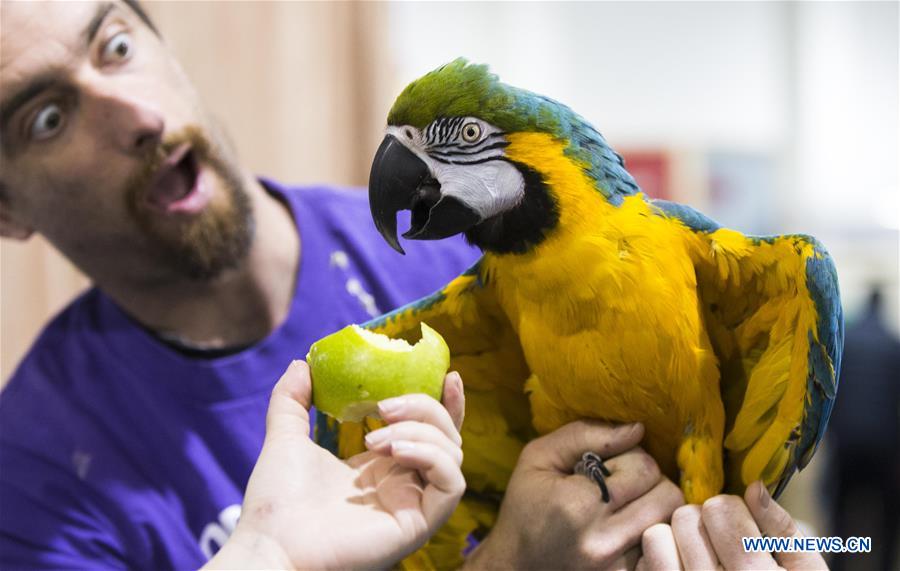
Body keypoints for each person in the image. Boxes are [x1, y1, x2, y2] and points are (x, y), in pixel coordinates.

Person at [0, 1, 823, 569]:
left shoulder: (455, 261)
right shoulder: (31, 473)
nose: (135, 116)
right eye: (47, 117)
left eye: (116, 46)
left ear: (166, 44)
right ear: (6, 211)